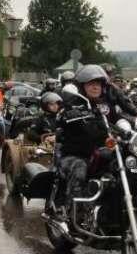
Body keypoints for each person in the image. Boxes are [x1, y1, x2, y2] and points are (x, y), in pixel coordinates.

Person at [52, 65, 125, 210]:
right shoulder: (72, 104)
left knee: (123, 165)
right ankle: (75, 210)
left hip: (99, 152)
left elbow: (117, 119)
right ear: (81, 86)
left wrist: (134, 124)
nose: (95, 87)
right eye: (91, 83)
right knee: (80, 168)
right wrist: (68, 114)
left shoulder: (104, 105)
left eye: (98, 83)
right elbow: (60, 117)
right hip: (74, 155)